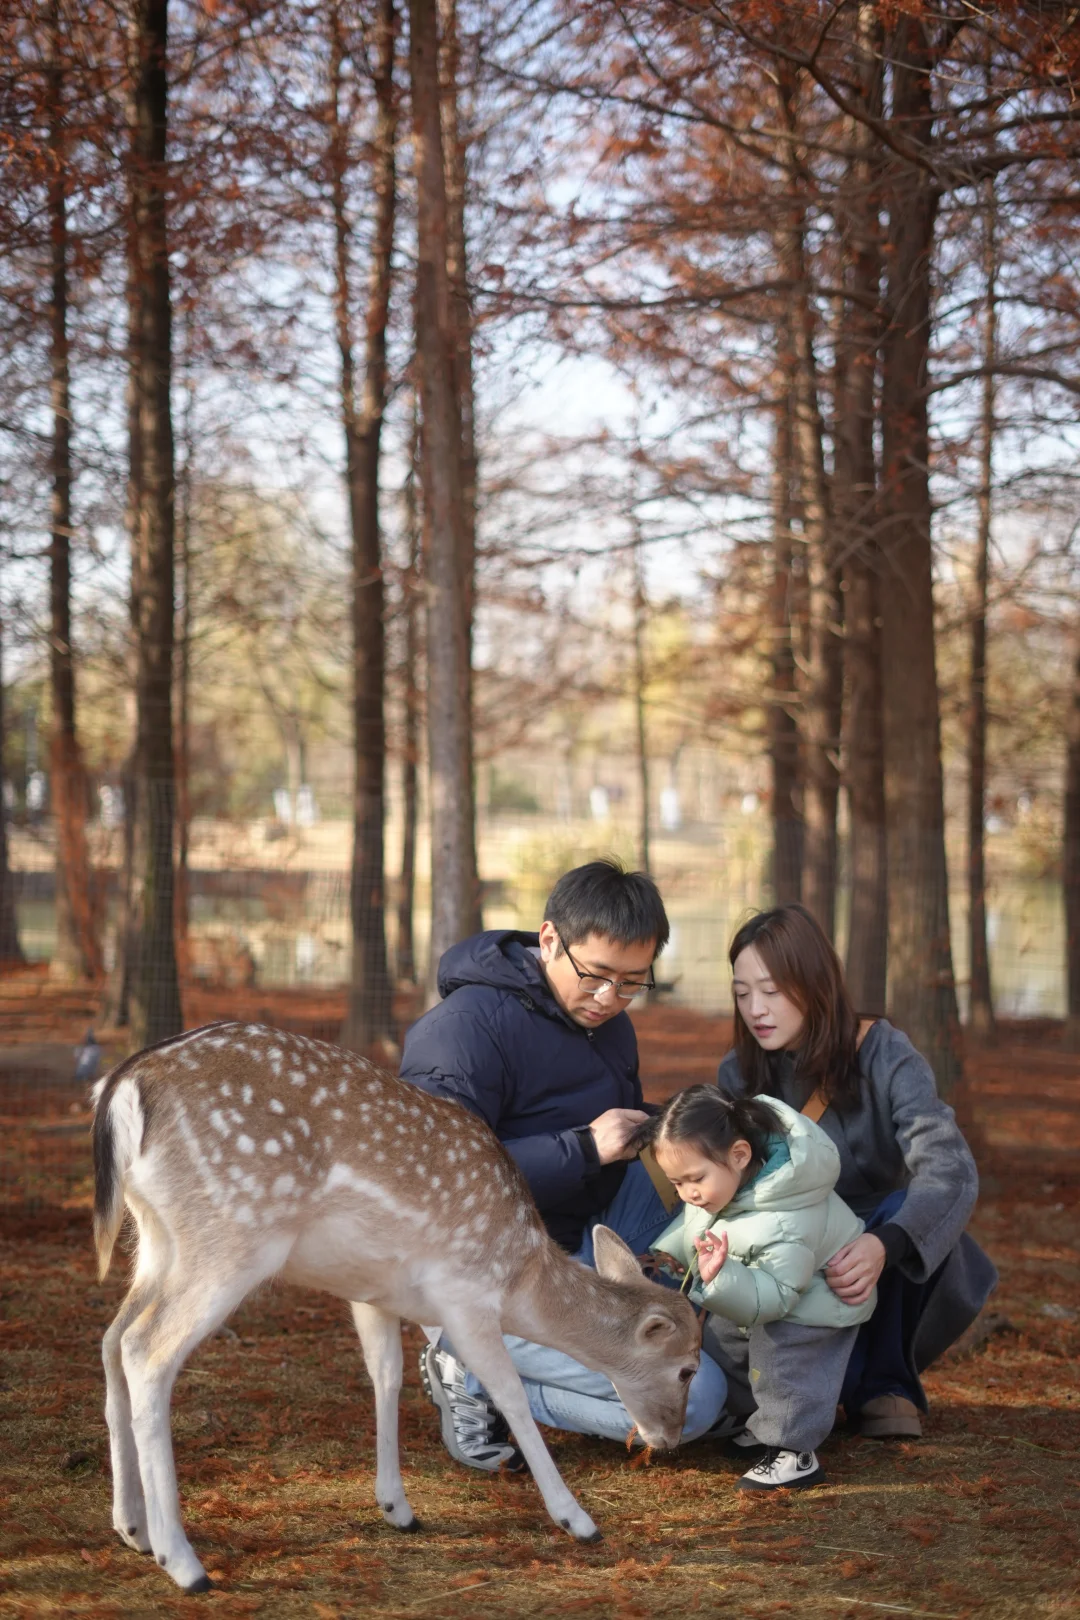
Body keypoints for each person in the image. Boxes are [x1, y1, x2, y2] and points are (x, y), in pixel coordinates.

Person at [399, 858, 728, 1469]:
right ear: (550, 939)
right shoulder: (463, 1031)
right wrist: (582, 1147)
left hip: (589, 1231)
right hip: (498, 1273)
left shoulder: (609, 1024)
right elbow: (431, 1183)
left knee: (714, 1181)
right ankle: (471, 1365)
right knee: (700, 1399)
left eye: (631, 983)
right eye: (596, 976)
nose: (609, 999)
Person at [717, 903, 998, 1440]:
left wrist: (885, 1244)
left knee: (905, 1212)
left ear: (814, 983)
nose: (756, 1009)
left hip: (878, 1251)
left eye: (772, 991)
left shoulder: (885, 1052)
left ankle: (886, 1384)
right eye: (742, 993)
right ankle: (817, 1388)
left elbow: (948, 1167)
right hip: (795, 1255)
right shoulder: (739, 1073)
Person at [635, 1085, 876, 1491]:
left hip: (813, 1301)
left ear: (740, 1155)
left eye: (695, 1179)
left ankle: (793, 1451)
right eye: (677, 1184)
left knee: (781, 1360)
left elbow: (777, 1297)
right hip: (757, 1286)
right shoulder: (726, 1185)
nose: (689, 1194)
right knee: (721, 1342)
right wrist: (674, 1252)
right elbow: (699, 1222)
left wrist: (720, 1276)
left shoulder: (785, 1216)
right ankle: (756, 1422)